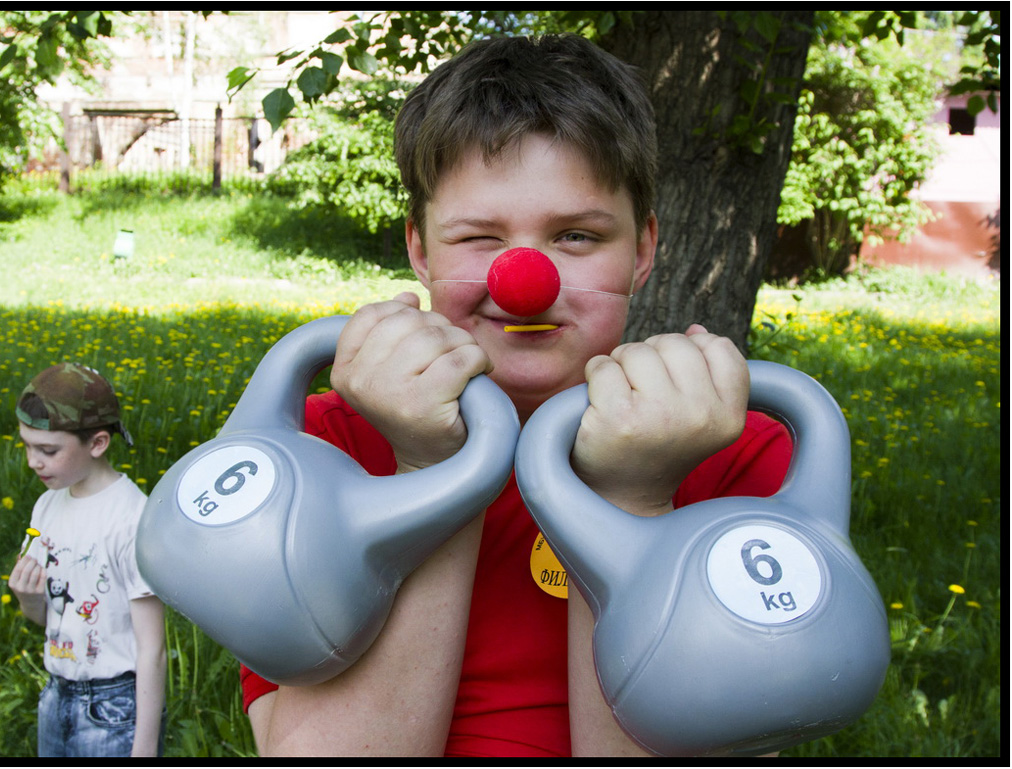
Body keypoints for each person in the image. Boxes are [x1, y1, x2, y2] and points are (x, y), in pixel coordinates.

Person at [240, 34, 792, 757]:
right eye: (478, 237)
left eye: (576, 235)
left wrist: (629, 500)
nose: (525, 281)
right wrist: (435, 473)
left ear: (642, 250)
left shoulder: (733, 449)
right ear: (420, 250)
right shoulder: (319, 445)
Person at [7, 363, 167, 757]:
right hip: (55, 693)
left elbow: (153, 649)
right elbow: (51, 618)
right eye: (27, 446)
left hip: (115, 708)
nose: (33, 461)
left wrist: (144, 749)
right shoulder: (46, 506)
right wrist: (27, 597)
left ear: (97, 443)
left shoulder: (131, 520)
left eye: (48, 451)